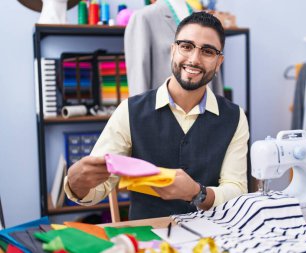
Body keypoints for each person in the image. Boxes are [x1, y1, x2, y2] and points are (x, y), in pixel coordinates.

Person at [64, 11, 249, 220]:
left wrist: (198, 192)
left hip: (212, 236)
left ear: (218, 62)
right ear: (173, 51)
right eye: (186, 47)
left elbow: (237, 191)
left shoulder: (234, 117)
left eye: (207, 51)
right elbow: (98, 186)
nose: (194, 59)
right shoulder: (130, 111)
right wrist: (76, 184)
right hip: (149, 239)